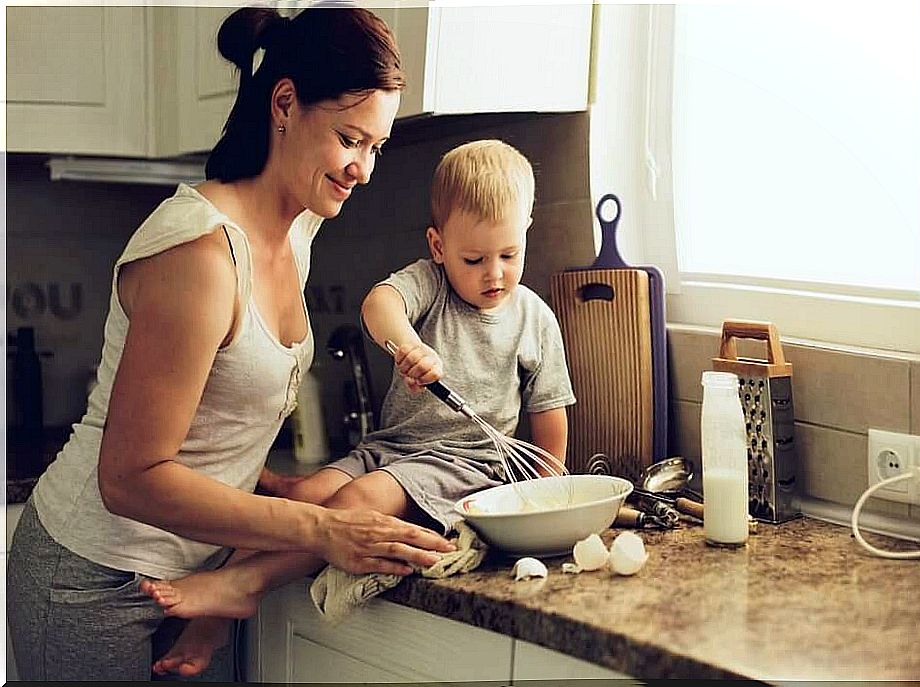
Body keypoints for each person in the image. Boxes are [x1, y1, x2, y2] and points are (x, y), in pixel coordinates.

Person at [6, 6, 456, 682]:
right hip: (91, 580)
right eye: (348, 138)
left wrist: (274, 483)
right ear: (285, 104)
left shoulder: (300, 226)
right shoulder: (198, 252)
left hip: (202, 571)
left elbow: (207, 422)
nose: (363, 167)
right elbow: (129, 476)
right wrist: (320, 529)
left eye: (376, 146)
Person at [137, 138, 577, 658]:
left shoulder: (536, 319)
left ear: (526, 234)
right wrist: (407, 344)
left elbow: (550, 437)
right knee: (299, 500)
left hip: (466, 463)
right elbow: (379, 304)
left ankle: (246, 585)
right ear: (438, 247)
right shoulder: (429, 285)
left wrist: (543, 508)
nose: (495, 273)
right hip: (390, 449)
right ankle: (215, 618)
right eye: (474, 258)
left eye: (509, 254)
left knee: (353, 505)